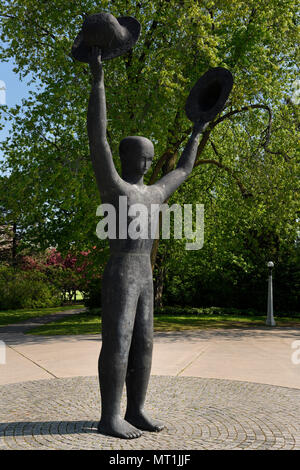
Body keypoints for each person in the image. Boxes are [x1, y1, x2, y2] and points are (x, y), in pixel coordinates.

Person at [87, 46, 205, 439]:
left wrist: (198, 129)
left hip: (145, 274)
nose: (146, 164)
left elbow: (185, 169)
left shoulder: (155, 194)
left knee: (145, 344)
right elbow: (97, 138)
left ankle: (135, 409)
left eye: (149, 159)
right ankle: (109, 415)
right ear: (127, 158)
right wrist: (98, 79)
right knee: (118, 340)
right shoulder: (115, 188)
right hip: (121, 268)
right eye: (142, 157)